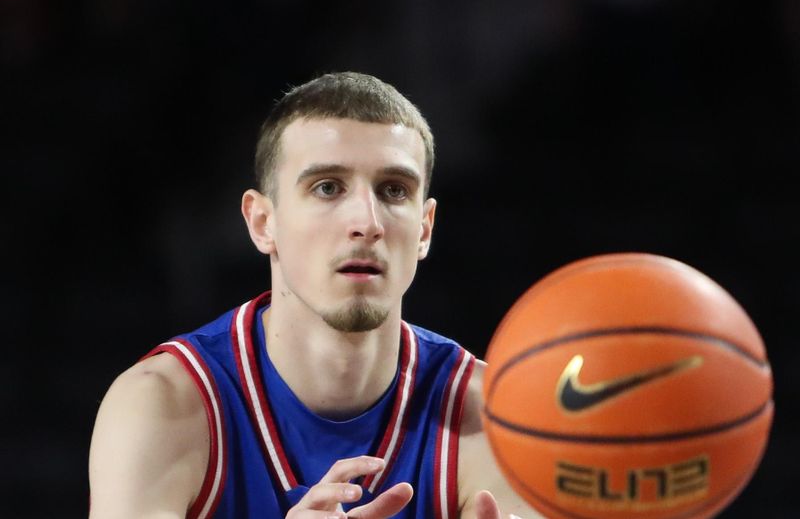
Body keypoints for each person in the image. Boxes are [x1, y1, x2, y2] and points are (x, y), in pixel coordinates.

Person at [88, 72, 543, 518]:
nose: (368, 221)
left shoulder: (491, 417)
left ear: (424, 229)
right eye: (328, 187)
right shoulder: (162, 405)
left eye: (393, 190)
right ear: (263, 222)